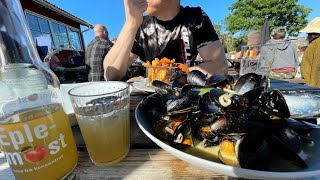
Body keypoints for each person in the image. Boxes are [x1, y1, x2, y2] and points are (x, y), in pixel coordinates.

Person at [103, 0, 228, 81]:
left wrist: (172, 76)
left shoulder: (195, 17)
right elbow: (111, 74)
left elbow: (220, 67)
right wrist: (131, 23)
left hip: (186, 95)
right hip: (149, 102)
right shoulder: (140, 25)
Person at [300, 17, 320, 88]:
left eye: (308, 34)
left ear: (313, 34)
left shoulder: (316, 44)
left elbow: (316, 70)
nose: (307, 36)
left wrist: (313, 89)